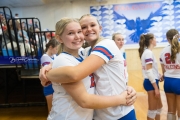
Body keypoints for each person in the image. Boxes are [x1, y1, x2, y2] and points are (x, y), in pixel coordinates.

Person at [40, 15, 137, 120]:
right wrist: (49, 67)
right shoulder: (86, 52)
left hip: (119, 113)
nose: (89, 29)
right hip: (88, 114)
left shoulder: (106, 44)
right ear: (59, 38)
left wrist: (48, 74)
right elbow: (70, 70)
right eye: (84, 27)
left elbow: (74, 73)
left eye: (92, 25)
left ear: (100, 28)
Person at [138, 33, 163, 120]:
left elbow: (151, 69)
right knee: (152, 111)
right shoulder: (148, 53)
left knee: (159, 108)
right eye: (155, 38)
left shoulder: (148, 52)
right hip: (151, 83)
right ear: (151, 41)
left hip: (153, 81)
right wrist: (156, 88)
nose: (156, 40)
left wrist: (158, 74)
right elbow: (148, 71)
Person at [159, 29, 180, 120]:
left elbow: (163, 69)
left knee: (171, 110)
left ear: (167, 38)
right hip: (178, 81)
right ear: (178, 37)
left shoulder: (163, 51)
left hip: (168, 82)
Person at [40, 38, 59, 113]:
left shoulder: (54, 56)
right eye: (56, 49)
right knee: (51, 110)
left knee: (57, 108)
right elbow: (49, 71)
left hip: (55, 84)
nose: (57, 51)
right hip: (49, 86)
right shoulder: (45, 57)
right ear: (50, 47)